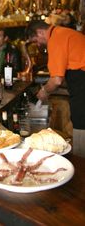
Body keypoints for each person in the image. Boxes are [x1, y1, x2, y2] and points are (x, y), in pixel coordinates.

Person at [25, 20, 85, 157]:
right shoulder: (62, 32)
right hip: (80, 81)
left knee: (81, 123)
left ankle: (82, 168)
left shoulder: (55, 38)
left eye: (36, 41)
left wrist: (44, 91)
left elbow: (56, 80)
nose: (38, 44)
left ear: (40, 32)